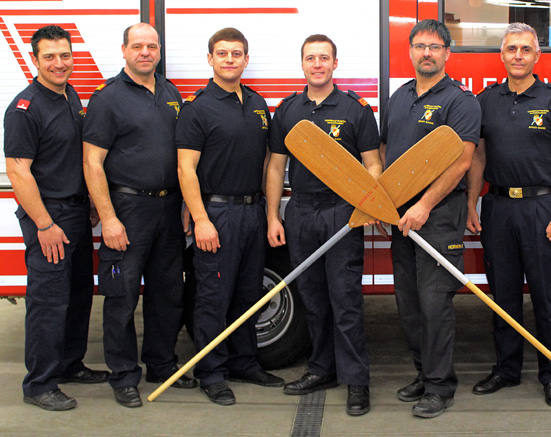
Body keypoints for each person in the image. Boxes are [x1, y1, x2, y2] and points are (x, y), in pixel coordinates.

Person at [465, 23, 551, 409]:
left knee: (548, 297)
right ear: (502, 55)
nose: (518, 55)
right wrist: (470, 203)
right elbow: (478, 156)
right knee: (503, 296)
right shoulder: (485, 101)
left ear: (537, 56)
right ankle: (507, 369)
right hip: (498, 207)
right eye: (511, 49)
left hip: (542, 208)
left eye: (525, 49)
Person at [83, 23, 197, 408]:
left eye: (151, 46)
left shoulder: (170, 92)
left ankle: (162, 364)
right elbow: (92, 162)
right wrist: (109, 218)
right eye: (137, 46)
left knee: (168, 293)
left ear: (159, 50)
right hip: (127, 209)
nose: (145, 53)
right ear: (124, 50)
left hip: (167, 208)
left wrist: (184, 203)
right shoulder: (106, 99)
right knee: (121, 295)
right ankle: (124, 375)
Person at [266, 34, 380, 416]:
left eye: (324, 58)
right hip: (300, 211)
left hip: (341, 213)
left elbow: (373, 164)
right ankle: (321, 370)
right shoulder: (287, 109)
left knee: (345, 301)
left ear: (335, 63)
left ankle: (357, 382)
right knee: (312, 300)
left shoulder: (355, 110)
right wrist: (273, 215)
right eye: (310, 58)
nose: (317, 64)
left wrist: (370, 205)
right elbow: (275, 166)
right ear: (302, 64)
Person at [176, 27, 284, 406]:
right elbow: (185, 169)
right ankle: (211, 372)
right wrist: (201, 219)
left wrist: (269, 214)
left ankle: (245, 362)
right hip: (217, 214)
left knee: (247, 294)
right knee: (212, 297)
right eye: (222, 54)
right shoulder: (197, 108)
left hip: (252, 212)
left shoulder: (257, 104)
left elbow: (271, 163)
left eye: (236, 54)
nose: (229, 60)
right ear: (210, 59)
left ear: (246, 59)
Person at [4, 24, 109, 412]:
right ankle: (39, 384)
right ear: (35, 60)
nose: (59, 63)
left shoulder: (70, 97)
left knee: (79, 293)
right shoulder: (24, 108)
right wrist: (45, 225)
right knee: (48, 302)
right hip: (49, 216)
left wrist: (93, 204)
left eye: (64, 55)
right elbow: (18, 172)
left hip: (77, 211)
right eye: (49, 56)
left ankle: (69, 363)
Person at [381, 19, 479, 418]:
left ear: (447, 54)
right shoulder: (400, 97)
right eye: (420, 46)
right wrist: (385, 203)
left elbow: (462, 162)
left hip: (437, 216)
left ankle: (440, 387)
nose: (426, 53)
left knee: (434, 302)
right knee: (408, 302)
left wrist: (423, 205)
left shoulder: (460, 100)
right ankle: (424, 373)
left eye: (434, 47)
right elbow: (387, 150)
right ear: (410, 51)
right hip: (399, 216)